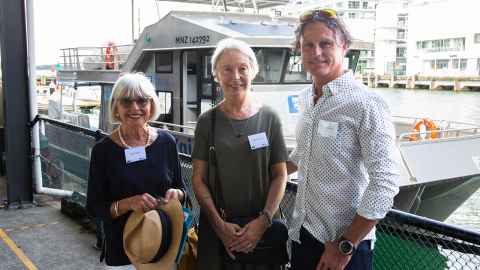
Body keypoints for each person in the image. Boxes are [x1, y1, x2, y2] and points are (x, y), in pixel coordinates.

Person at [287, 9, 400, 270]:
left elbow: (386, 180)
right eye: (308, 45)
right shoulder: (306, 98)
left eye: (326, 43)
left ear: (344, 46)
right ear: (300, 50)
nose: (316, 53)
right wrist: (273, 172)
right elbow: (303, 152)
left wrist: (345, 245)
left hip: (344, 249)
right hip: (304, 235)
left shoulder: (367, 104)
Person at [191, 38, 288, 270]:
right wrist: (219, 226)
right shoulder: (207, 122)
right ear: (216, 74)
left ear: (253, 72)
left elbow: (280, 175)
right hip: (218, 229)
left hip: (261, 229)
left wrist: (263, 222)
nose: (235, 76)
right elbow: (198, 179)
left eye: (242, 68)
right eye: (227, 69)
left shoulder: (270, 118)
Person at [86, 73, 186, 269]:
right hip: (124, 254)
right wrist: (129, 203)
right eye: (126, 101)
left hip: (164, 249)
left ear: (151, 105)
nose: (135, 107)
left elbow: (181, 189)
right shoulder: (103, 151)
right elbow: (94, 208)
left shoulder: (166, 142)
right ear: (116, 107)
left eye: (142, 100)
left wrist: (178, 194)